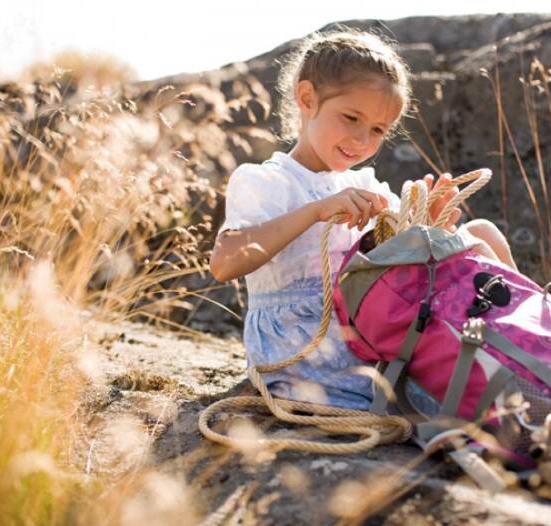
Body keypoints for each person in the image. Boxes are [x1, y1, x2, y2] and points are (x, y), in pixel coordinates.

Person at [209, 28, 517, 414]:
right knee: (446, 371)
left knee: (481, 233)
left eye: (377, 130)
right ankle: (509, 376)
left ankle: (529, 348)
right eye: (351, 117)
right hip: (306, 346)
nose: (362, 140)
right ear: (307, 99)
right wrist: (315, 212)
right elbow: (224, 263)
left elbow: (394, 268)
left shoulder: (362, 183)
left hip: (370, 326)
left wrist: (429, 231)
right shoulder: (267, 180)